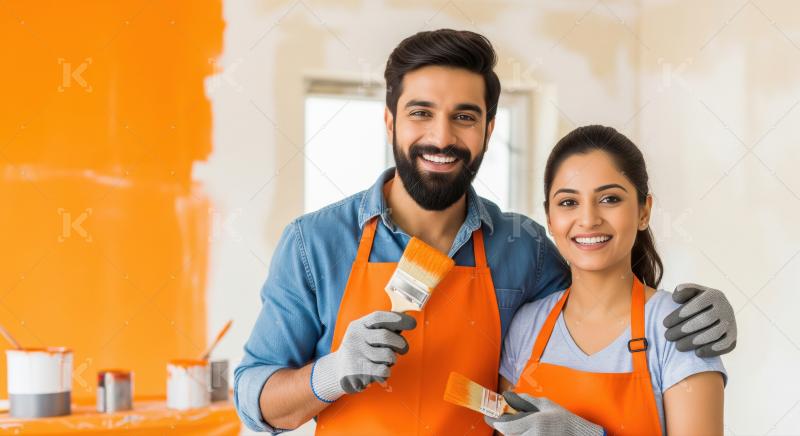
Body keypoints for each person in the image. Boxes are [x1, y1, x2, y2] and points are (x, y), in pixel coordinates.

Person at [234, 29, 737, 435]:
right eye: (421, 113)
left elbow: (601, 294)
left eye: (464, 117)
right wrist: (328, 374)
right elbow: (255, 402)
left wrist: (696, 317)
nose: (442, 137)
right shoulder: (314, 244)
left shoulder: (526, 248)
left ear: (489, 129)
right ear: (389, 121)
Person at [487, 125, 727, 436]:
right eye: (568, 202)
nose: (588, 219)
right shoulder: (527, 327)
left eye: (610, 199)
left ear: (643, 211)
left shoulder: (678, 329)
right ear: (549, 218)